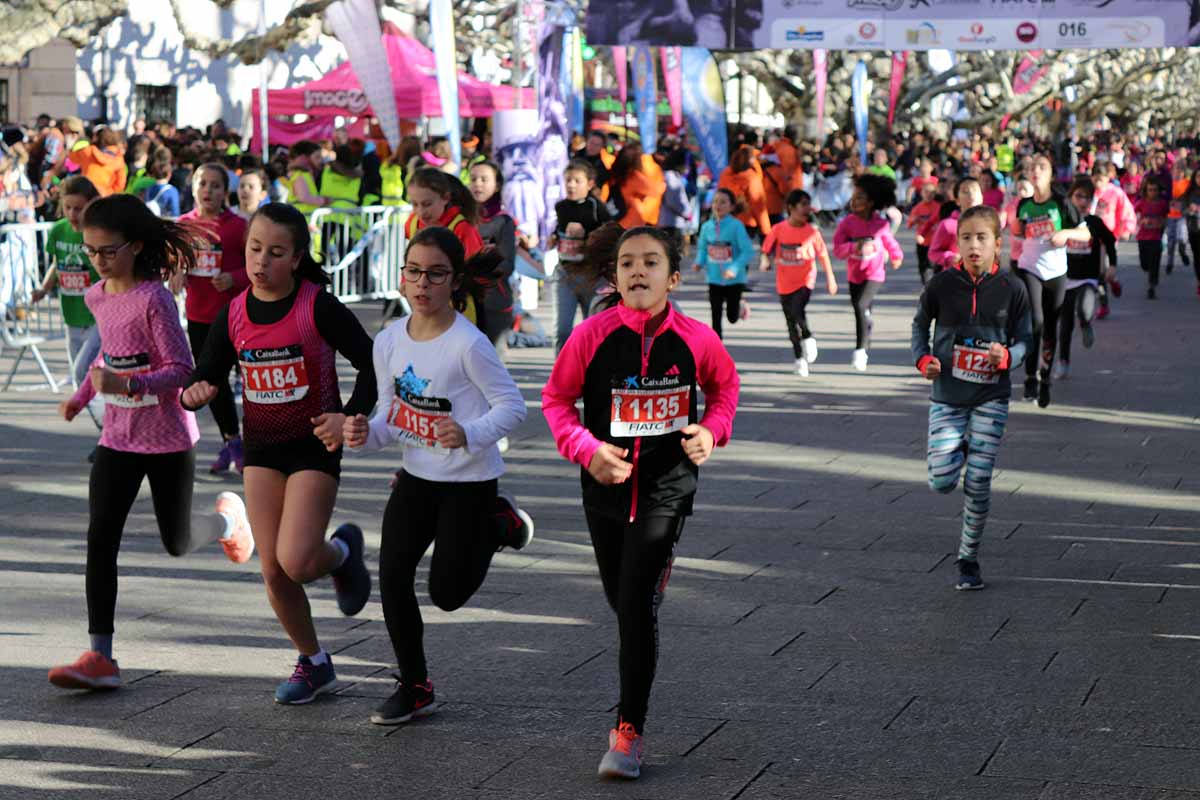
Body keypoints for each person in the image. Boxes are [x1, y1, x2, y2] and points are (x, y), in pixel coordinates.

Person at [541, 225, 740, 780]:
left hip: (666, 487)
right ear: (615, 276)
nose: (637, 271)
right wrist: (586, 450)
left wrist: (712, 431)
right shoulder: (592, 335)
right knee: (619, 597)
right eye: (627, 262)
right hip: (604, 488)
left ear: (673, 278)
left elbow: (725, 389)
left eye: (651, 262)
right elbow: (557, 400)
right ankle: (646, 586)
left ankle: (627, 734)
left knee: (634, 607)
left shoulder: (697, 337)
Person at [47, 194, 254, 691]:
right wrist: (80, 398)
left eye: (107, 251)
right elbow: (109, 362)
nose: (98, 261)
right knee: (101, 538)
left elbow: (181, 370)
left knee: (177, 541)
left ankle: (228, 519)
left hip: (166, 439)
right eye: (90, 251)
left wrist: (132, 387)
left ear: (136, 247)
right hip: (119, 437)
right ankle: (101, 656)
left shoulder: (154, 298)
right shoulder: (98, 296)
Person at [182, 203, 376, 704]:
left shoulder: (318, 306)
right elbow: (205, 373)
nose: (261, 261)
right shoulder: (234, 313)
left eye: (275, 252)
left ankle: (343, 552)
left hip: (314, 445)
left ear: (296, 258)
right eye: (253, 249)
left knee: (297, 560)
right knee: (272, 569)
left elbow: (373, 361)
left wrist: (349, 414)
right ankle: (313, 663)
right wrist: (194, 393)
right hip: (263, 450)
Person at [342, 226, 532, 726]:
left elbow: (513, 407)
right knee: (393, 577)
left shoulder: (468, 345)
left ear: (454, 282)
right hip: (416, 478)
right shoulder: (387, 342)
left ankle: (500, 524)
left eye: (435, 274)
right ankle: (415, 684)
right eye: (413, 272)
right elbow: (391, 415)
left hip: (470, 484)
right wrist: (365, 432)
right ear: (401, 278)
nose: (422, 283)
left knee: (447, 595)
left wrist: (468, 433)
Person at [913, 204, 1031, 591]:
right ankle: (960, 447)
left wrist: (1009, 356)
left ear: (998, 244)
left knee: (979, 481)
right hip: (947, 394)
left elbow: (1028, 338)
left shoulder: (1012, 288)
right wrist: (924, 358)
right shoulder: (942, 284)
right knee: (941, 482)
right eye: (966, 238)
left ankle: (968, 559)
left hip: (990, 395)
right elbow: (919, 324)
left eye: (982, 238)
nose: (973, 245)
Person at [177, 163, 248, 470]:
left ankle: (246, 444)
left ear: (225, 192)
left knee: (251, 385)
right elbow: (175, 262)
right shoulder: (183, 224)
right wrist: (177, 272)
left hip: (237, 316)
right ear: (194, 189)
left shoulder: (238, 226)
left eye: (215, 185)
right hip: (199, 316)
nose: (208, 190)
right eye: (203, 184)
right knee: (212, 382)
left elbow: (256, 267)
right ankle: (232, 443)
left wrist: (234, 278)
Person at [1011, 154, 1088, 407]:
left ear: (1051, 174)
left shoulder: (1061, 203)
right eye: (1032, 168)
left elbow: (1086, 233)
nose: (1035, 171)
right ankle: (1030, 376)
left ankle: (1045, 378)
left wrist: (1064, 233)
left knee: (1050, 328)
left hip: (1055, 271)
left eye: (1041, 168)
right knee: (1036, 321)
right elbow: (1018, 232)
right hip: (1028, 267)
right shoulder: (1023, 204)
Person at [31, 177, 104, 435]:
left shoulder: (97, 232)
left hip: (97, 316)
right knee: (80, 378)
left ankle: (110, 429)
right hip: (71, 314)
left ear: (91, 205)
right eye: (68, 207)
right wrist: (44, 288)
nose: (73, 214)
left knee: (84, 369)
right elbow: (57, 263)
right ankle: (106, 432)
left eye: (79, 208)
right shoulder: (58, 231)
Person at [759, 189, 838, 376]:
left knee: (797, 310)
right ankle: (799, 358)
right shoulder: (779, 229)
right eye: (803, 205)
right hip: (784, 281)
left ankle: (808, 336)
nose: (807, 209)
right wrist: (765, 261)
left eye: (808, 205)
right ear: (790, 208)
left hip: (805, 280)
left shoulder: (812, 232)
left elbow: (823, 255)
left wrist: (830, 278)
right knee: (790, 322)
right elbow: (766, 250)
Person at [832, 173, 904, 372]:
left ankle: (860, 350)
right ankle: (867, 322)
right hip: (855, 274)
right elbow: (838, 250)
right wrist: (852, 248)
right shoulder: (847, 223)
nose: (854, 201)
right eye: (853, 197)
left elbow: (890, 243)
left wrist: (897, 256)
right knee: (861, 310)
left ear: (872, 202)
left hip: (875, 273)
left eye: (860, 197)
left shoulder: (880, 224)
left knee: (860, 305)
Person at [1055, 177, 1117, 380]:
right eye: (1078, 196)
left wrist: (1113, 266)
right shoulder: (1062, 222)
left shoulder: (1094, 223)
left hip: (1088, 279)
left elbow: (1110, 242)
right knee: (1065, 325)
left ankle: (1086, 322)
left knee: (1084, 308)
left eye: (1087, 198)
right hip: (1065, 279)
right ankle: (1063, 362)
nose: (1082, 201)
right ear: (1071, 197)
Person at [551, 159, 613, 352]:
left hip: (592, 276)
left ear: (590, 184)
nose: (571, 185)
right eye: (568, 180)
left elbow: (611, 237)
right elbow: (559, 231)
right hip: (565, 273)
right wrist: (553, 237)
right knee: (562, 330)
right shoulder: (561, 207)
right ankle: (560, 376)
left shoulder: (597, 207)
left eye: (577, 181)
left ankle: (592, 374)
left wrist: (587, 236)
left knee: (593, 330)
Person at [466, 159, 518, 353]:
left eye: (484, 179)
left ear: (497, 185)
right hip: (465, 302)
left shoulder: (504, 222)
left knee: (493, 368)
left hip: (495, 302)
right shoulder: (463, 219)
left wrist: (474, 267)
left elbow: (507, 265)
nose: (477, 183)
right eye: (473, 179)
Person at [693, 187, 754, 339]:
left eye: (723, 202)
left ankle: (739, 303)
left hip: (734, 279)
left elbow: (747, 251)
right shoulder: (707, 227)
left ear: (732, 206)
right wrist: (699, 262)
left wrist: (734, 268)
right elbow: (702, 248)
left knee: (732, 317)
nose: (718, 205)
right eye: (715, 202)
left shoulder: (736, 226)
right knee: (715, 313)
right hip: (714, 278)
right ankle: (716, 344)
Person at [928, 178, 984, 273]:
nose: (971, 194)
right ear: (957, 200)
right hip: (956, 280)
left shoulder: (989, 223)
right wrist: (950, 258)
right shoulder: (948, 225)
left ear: (982, 197)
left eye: (975, 190)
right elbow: (933, 253)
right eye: (965, 191)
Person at [718, 145, 771, 238]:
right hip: (745, 224)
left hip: (724, 220)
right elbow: (759, 205)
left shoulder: (725, 174)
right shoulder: (752, 178)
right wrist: (766, 231)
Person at [609, 143, 665, 228]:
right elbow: (656, 190)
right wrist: (647, 160)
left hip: (618, 219)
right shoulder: (633, 176)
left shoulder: (616, 172)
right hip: (631, 221)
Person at [1134, 177, 1169, 300]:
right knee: (1145, 264)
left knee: (1154, 263)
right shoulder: (1141, 203)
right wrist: (1140, 220)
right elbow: (1134, 214)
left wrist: (1162, 224)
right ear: (1146, 190)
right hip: (1143, 237)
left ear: (1159, 191)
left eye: (1155, 190)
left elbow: (1166, 217)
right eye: (1150, 190)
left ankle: (1152, 285)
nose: (1152, 192)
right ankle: (1151, 275)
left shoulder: (1162, 204)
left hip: (1156, 238)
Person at [907, 181, 943, 285]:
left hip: (936, 242)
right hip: (922, 241)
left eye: (931, 192)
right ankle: (927, 285)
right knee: (923, 267)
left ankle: (933, 285)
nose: (928, 194)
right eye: (926, 192)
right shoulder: (918, 208)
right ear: (921, 193)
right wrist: (915, 220)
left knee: (933, 265)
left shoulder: (938, 207)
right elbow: (909, 224)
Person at [141, 148, 180, 218]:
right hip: (164, 224)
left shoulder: (148, 189)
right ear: (169, 174)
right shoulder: (172, 190)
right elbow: (175, 213)